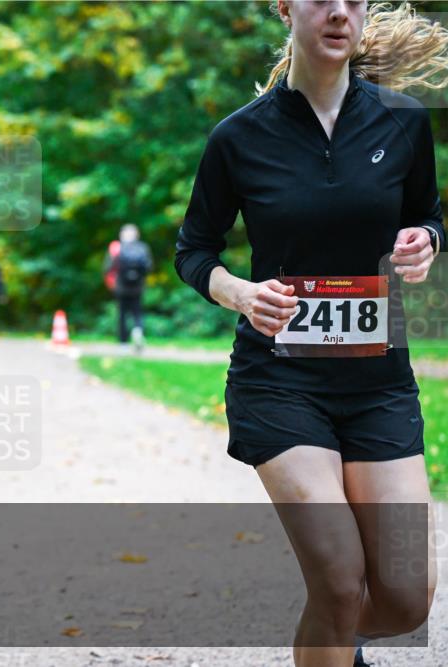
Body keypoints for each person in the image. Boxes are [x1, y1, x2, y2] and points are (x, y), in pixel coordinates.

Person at [174, 3, 444, 666]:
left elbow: (428, 215)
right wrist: (239, 292)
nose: (339, 10)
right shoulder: (238, 138)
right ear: (284, 6)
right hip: (279, 381)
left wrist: (426, 241)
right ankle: (332, 626)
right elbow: (194, 250)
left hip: (379, 382)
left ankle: (332, 637)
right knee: (339, 576)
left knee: (408, 598)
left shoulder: (402, 121)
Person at [104, 224, 153, 351]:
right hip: (138, 287)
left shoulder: (117, 247)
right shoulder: (143, 248)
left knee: (122, 314)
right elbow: (149, 267)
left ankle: (123, 343)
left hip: (121, 287)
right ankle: (138, 332)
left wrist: (110, 282)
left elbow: (108, 267)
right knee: (137, 313)